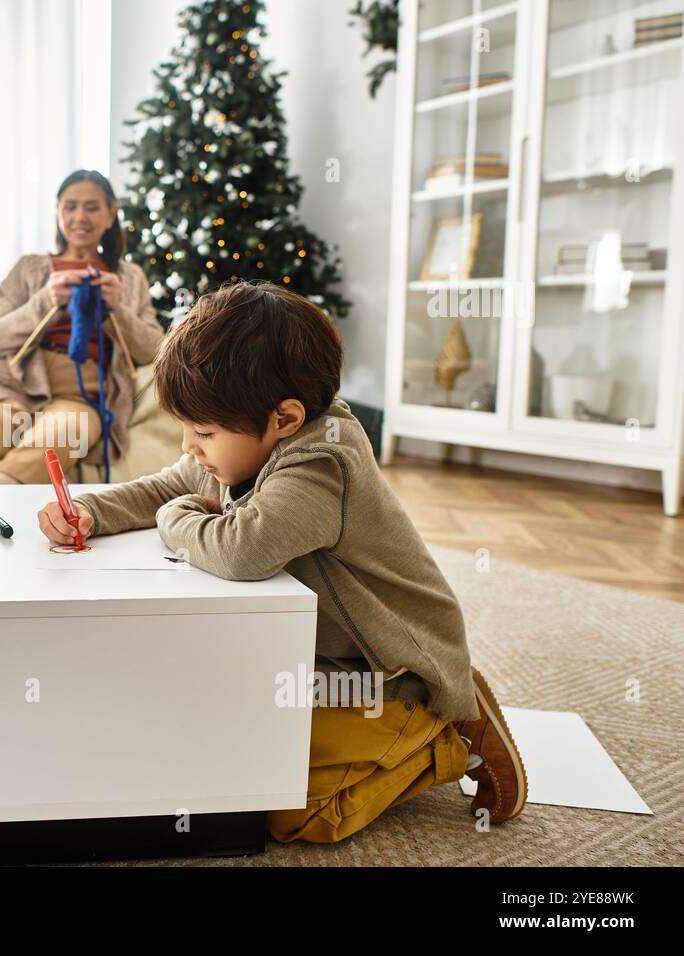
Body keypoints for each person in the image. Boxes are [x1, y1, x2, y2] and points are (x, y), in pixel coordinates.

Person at [36, 280, 528, 843]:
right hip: (324, 663)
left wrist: (176, 519)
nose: (190, 447)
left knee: (292, 812)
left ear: (285, 419)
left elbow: (241, 550)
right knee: (231, 750)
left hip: (391, 676)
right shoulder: (246, 436)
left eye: (202, 433)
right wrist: (90, 511)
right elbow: (172, 483)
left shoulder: (320, 465)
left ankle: (446, 733)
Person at [0, 170, 165, 484]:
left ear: (111, 214)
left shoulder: (130, 277)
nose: (79, 217)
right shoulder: (29, 268)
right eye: (70, 206)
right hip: (11, 381)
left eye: (92, 207)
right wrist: (45, 300)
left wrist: (118, 310)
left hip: (81, 396)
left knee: (62, 435)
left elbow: (155, 350)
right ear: (58, 211)